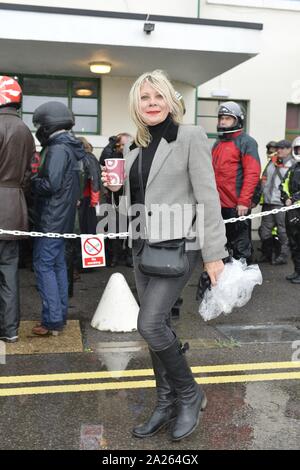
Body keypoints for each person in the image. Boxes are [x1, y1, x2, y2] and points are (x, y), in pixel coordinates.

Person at [102, 70, 228, 441]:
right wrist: (115, 190)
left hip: (179, 247)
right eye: (145, 98)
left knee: (150, 324)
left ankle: (190, 394)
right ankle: (165, 401)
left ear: (171, 101)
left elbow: (208, 198)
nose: (152, 104)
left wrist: (213, 254)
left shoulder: (190, 136)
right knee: (160, 328)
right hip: (142, 246)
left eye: (158, 97)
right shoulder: (133, 146)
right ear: (136, 105)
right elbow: (134, 202)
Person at [31, 101, 86, 336]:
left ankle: (52, 320)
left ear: (47, 124)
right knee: (57, 266)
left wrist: (31, 181)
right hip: (64, 218)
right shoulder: (71, 148)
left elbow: (50, 184)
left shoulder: (56, 149)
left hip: (51, 217)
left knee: (44, 265)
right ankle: (58, 316)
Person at [0, 76, 35, 343]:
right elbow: (28, 174)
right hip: (15, 206)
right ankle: (10, 329)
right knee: (9, 271)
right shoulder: (25, 130)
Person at [212, 101, 261, 263]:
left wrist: (244, 201)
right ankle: (224, 285)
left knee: (241, 249)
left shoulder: (247, 142)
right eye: (221, 118)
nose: (222, 122)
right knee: (221, 248)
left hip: (237, 207)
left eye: (227, 118)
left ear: (238, 120)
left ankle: (244, 286)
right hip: (218, 207)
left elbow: (252, 173)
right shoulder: (217, 144)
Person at [258, 139, 293, 265]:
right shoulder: (272, 163)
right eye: (278, 148)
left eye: (283, 148)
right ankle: (267, 254)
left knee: (283, 231)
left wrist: (291, 200)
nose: (279, 150)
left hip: (282, 204)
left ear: (290, 149)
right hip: (268, 202)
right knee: (264, 230)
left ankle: (283, 256)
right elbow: (264, 180)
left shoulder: (293, 164)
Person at [281, 136, 300, 283]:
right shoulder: (294, 167)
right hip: (291, 211)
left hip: (297, 207)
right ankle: (296, 271)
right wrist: (286, 198)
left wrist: (293, 199)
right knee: (293, 242)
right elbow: (283, 184)